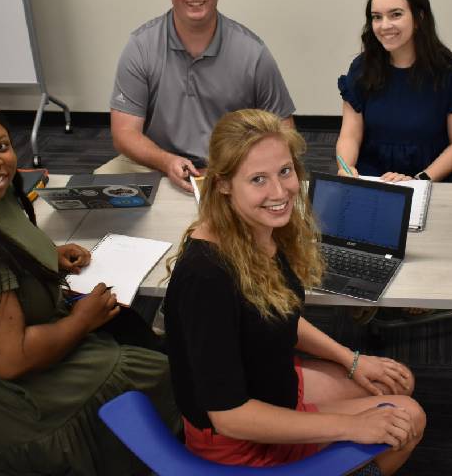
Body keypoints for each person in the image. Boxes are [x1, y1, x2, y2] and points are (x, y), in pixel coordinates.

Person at [0, 94, 179, 475]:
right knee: (148, 373)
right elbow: (11, 359)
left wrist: (45, 255)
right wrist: (80, 322)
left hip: (14, 339)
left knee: (138, 337)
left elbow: (3, 238)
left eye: (1, 146)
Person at [163, 109, 426, 473]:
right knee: (408, 418)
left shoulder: (259, 230)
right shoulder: (206, 278)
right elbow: (228, 416)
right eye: (258, 179)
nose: (280, 192)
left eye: (285, 171)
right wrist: (353, 425)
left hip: (272, 385)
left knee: (396, 382)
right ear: (222, 183)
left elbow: (275, 312)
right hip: (240, 441)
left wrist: (350, 358)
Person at [100, 0, 296, 192]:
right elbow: (124, 132)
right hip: (156, 160)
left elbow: (285, 130)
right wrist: (166, 161)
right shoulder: (141, 46)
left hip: (230, 165)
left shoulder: (252, 52)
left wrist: (239, 167)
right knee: (101, 186)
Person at [336, 0, 452, 183]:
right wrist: (347, 167)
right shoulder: (362, 68)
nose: (384, 25)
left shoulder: (450, 72)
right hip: (377, 175)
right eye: (376, 17)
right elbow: (350, 135)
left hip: (432, 177)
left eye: (395, 14)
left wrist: (418, 181)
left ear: (419, 17)